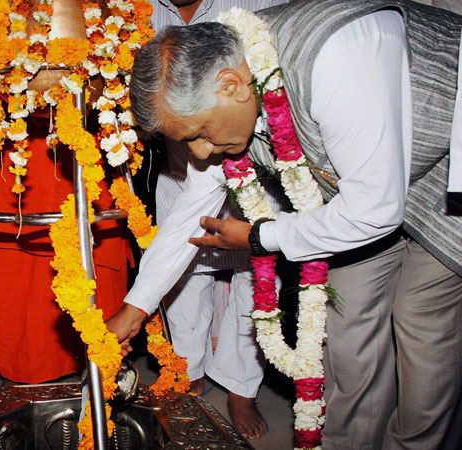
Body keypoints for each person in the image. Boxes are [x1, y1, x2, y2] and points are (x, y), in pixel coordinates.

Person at [108, 1, 462, 449]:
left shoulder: (336, 56)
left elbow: (374, 208)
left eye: (198, 133)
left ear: (232, 84)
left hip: (444, 179)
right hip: (353, 197)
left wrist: (260, 236)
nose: (198, 153)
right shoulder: (224, 96)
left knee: (422, 328)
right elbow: (187, 218)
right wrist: (135, 308)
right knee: (349, 333)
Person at [147, 0, 285, 439]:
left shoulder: (254, 6)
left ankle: (242, 390)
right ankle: (187, 375)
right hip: (180, 171)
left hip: (257, 173)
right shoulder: (134, 11)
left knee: (258, 285)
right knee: (182, 282)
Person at [0, 115, 133, 385]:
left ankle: (102, 371)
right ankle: (21, 374)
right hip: (13, 140)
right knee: (15, 267)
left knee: (96, 249)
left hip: (89, 126)